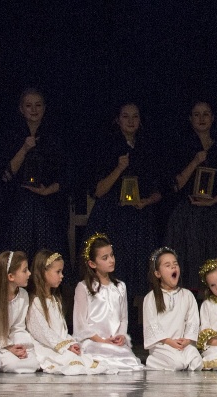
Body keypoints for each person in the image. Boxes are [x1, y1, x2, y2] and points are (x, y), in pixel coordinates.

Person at [85, 103, 166, 296]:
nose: (130, 121)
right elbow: (98, 191)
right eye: (125, 116)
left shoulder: (147, 148)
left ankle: (138, 312)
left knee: (141, 274)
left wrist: (146, 201)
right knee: (113, 268)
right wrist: (119, 168)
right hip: (112, 218)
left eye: (135, 116)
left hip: (140, 219)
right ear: (118, 120)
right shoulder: (107, 147)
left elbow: (160, 190)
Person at [0, 88, 70, 271]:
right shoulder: (10, 136)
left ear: (44, 108)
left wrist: (49, 190)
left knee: (47, 261)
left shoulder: (54, 137)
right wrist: (24, 148)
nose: (33, 110)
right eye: (28, 105)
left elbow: (67, 174)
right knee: (19, 259)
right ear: (21, 109)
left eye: (38, 105)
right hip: (17, 206)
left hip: (47, 207)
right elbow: (4, 175)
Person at [164, 101, 217, 293]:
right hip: (188, 216)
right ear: (190, 119)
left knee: (215, 269)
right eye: (197, 114)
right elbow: (175, 185)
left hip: (214, 215)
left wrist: (213, 201)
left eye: (206, 114)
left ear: (212, 118)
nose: (202, 118)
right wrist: (196, 161)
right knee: (188, 267)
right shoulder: (182, 146)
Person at [27, 250, 107, 375]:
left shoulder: (55, 300)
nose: (62, 276)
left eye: (62, 272)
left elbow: (62, 331)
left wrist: (71, 343)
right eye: (58, 272)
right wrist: (65, 346)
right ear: (43, 272)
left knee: (86, 361)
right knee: (73, 363)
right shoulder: (36, 302)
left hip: (60, 345)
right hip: (47, 346)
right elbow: (43, 332)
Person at [72, 233, 144, 371]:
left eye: (112, 255)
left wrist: (120, 336)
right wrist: (102, 340)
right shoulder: (84, 288)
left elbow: (123, 319)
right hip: (93, 342)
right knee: (100, 359)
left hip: (114, 342)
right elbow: (81, 324)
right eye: (105, 258)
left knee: (125, 358)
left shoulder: (120, 287)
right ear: (92, 264)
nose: (111, 260)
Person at [143, 247, 202, 371]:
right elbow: (152, 324)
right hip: (162, 345)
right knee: (177, 363)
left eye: (175, 264)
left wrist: (187, 340)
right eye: (168, 265)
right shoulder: (151, 297)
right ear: (158, 273)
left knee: (197, 362)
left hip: (182, 344)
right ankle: (153, 361)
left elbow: (192, 320)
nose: (173, 267)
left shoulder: (187, 295)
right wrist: (169, 341)